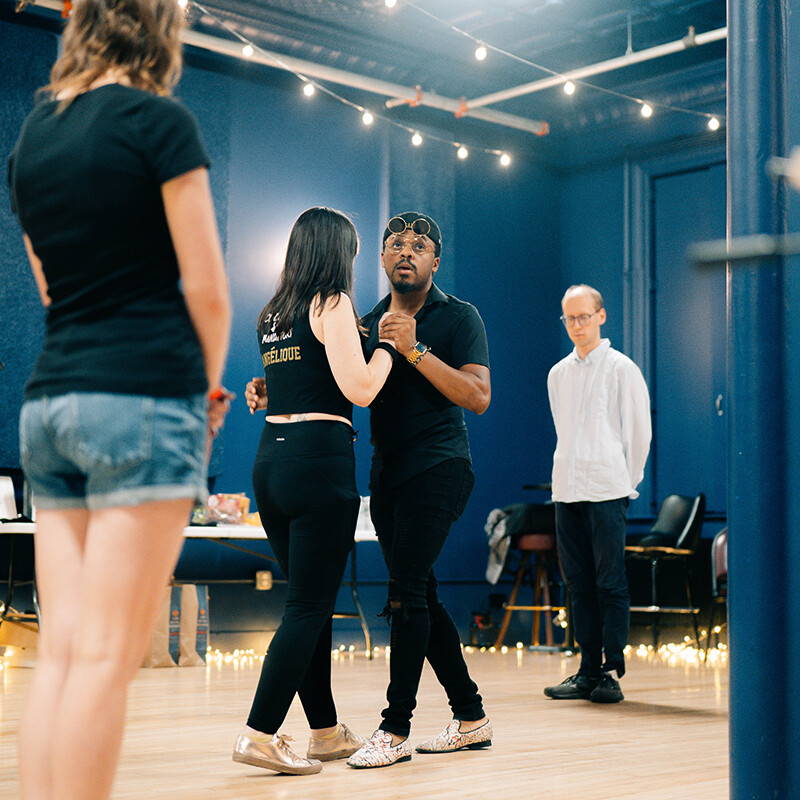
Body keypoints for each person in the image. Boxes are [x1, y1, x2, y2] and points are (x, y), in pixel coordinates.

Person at [6, 3, 232, 799]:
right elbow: (207, 290)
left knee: (64, 654)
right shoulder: (159, 122)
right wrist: (204, 397)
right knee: (108, 657)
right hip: (142, 396)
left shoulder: (34, 139)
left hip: (50, 406)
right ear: (156, 27)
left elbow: (50, 290)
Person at [237, 207, 395, 775]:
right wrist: (387, 349)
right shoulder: (332, 302)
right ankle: (259, 733)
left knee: (312, 603)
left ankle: (325, 731)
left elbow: (289, 382)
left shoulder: (272, 313)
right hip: (318, 463)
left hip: (271, 463)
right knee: (308, 607)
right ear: (337, 252)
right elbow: (361, 389)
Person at [346, 212, 493, 769]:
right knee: (422, 595)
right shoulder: (365, 324)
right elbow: (345, 387)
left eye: (419, 245)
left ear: (435, 260)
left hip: (440, 465)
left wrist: (414, 350)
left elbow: (478, 396)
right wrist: (274, 390)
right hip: (386, 473)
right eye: (396, 244)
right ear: (383, 258)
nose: (406, 251)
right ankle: (471, 717)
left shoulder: (459, 316)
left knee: (405, 591)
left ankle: (394, 729)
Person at [544, 284, 651, 704]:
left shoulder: (622, 369)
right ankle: (587, 670)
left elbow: (638, 433)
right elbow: (563, 429)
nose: (576, 325)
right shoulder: (558, 374)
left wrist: (627, 481)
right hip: (567, 488)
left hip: (607, 487)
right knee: (578, 584)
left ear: (601, 316)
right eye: (569, 318)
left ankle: (610, 672)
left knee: (610, 582)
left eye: (583, 317)